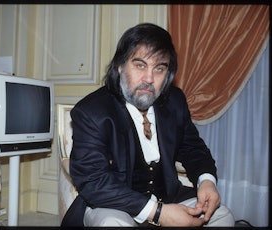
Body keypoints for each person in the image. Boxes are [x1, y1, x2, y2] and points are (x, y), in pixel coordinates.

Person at [61, 23, 235, 227]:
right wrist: (158, 213)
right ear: (120, 66)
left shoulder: (175, 101)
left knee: (222, 216)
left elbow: (193, 148)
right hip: (113, 204)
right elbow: (93, 181)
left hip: (169, 197)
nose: (149, 79)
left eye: (159, 68)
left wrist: (206, 181)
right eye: (140, 65)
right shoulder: (92, 112)